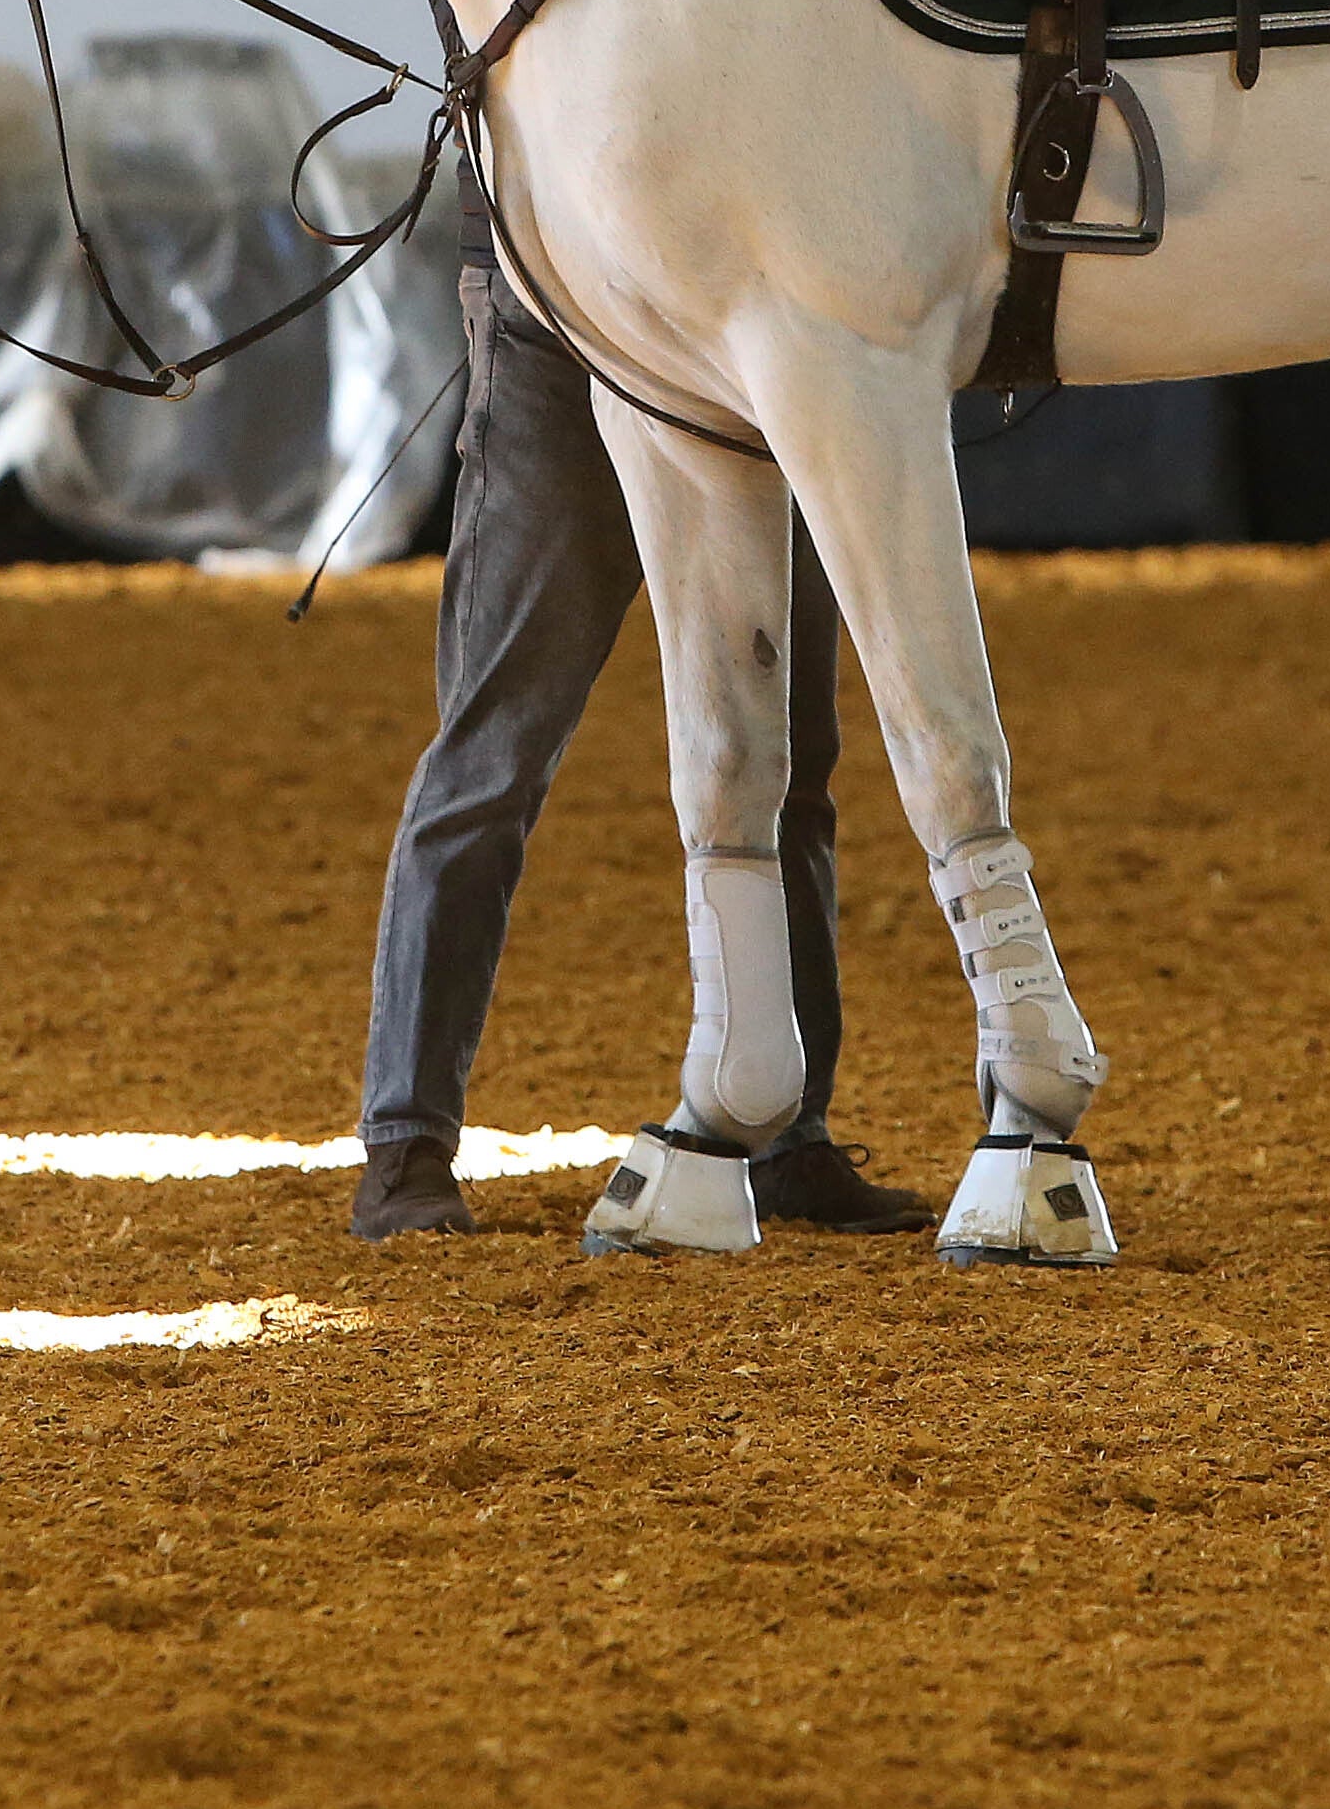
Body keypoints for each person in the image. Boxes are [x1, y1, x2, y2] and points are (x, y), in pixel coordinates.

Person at [349, 177, 933, 1243]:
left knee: (792, 755)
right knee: (494, 750)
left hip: (720, 311)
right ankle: (405, 1140)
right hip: (556, 313)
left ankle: (789, 1130)